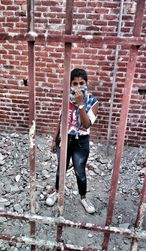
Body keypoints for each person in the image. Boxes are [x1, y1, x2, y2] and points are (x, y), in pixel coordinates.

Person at [46, 68, 99, 214]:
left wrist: (81, 104)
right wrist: (54, 139)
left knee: (79, 171)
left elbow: (87, 124)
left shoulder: (93, 102)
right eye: (74, 83)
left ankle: (83, 198)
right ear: (70, 84)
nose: (78, 86)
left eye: (81, 83)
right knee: (61, 168)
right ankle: (57, 192)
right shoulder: (66, 99)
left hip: (81, 141)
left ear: (86, 83)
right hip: (65, 138)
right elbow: (61, 119)